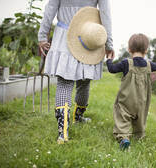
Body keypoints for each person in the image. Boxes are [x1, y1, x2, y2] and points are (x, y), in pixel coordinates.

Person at [38, 0, 114, 144]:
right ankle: (77, 117)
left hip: (64, 36)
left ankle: (63, 132)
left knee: (64, 83)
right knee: (84, 82)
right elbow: (105, 15)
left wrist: (42, 36)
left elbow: (50, 9)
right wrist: (108, 43)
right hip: (88, 37)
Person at [106, 33, 156, 149]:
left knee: (122, 116)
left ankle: (124, 137)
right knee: (140, 118)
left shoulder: (126, 63)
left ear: (129, 49)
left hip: (126, 100)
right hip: (142, 101)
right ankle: (139, 135)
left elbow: (112, 69)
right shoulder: (149, 65)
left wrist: (109, 59)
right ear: (146, 50)